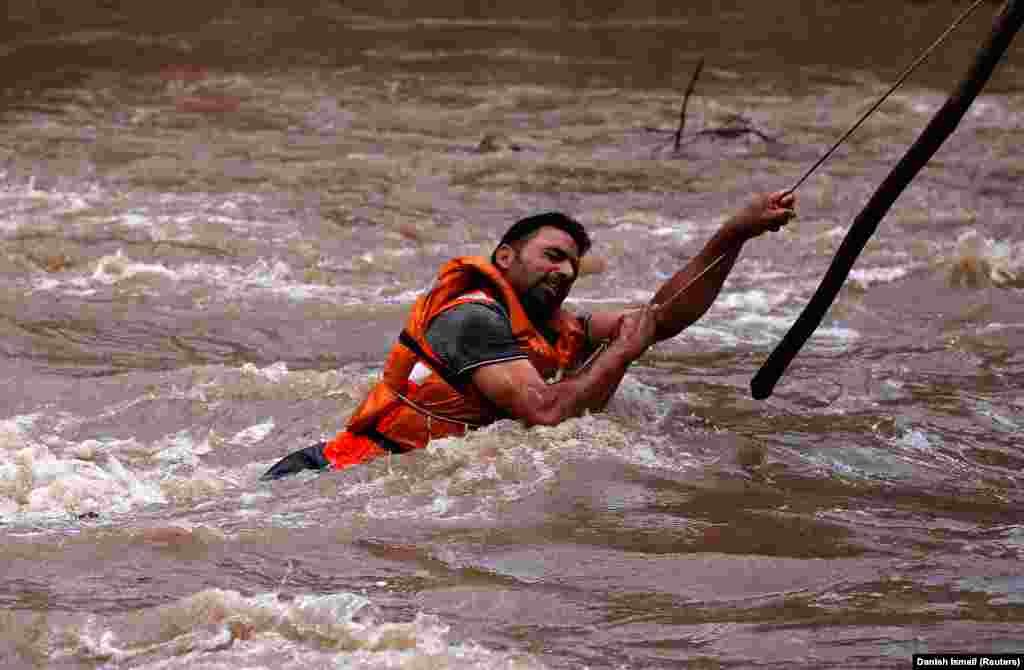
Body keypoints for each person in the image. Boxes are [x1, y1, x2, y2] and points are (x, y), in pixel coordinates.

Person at [261, 191, 797, 480]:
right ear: (505, 258)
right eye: (552, 256)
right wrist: (623, 354)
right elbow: (544, 411)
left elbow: (660, 317)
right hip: (328, 478)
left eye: (573, 264)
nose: (565, 271)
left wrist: (733, 235)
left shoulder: (551, 327)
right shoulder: (472, 317)